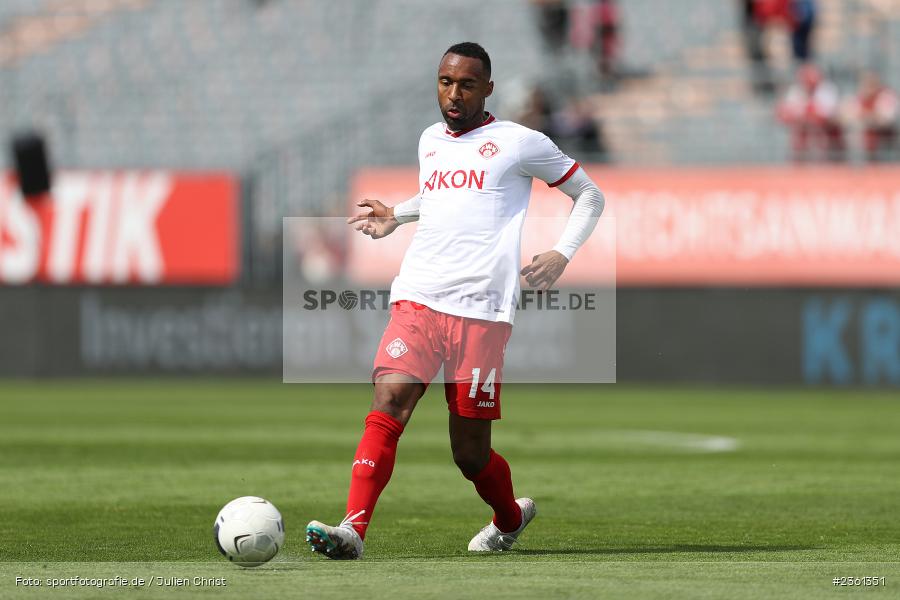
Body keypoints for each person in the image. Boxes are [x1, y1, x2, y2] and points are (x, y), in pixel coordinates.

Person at [305, 42, 604, 560]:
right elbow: (443, 196)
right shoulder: (430, 141)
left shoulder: (518, 142)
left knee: (469, 454)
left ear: (487, 89)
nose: (453, 94)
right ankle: (352, 530)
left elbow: (589, 195)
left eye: (466, 84)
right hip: (418, 297)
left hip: (482, 313)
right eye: (445, 82)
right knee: (389, 403)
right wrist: (396, 214)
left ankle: (510, 517)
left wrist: (562, 253)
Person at [777, 64, 844, 162]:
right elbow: (785, 113)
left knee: (830, 136)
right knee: (800, 136)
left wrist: (808, 112)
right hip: (803, 127)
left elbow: (825, 115)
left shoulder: (828, 89)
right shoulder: (796, 90)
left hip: (827, 128)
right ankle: (799, 166)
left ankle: (833, 164)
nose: (808, 84)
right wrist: (805, 114)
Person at [847, 71, 898, 162]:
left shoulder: (886, 96)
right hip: (866, 139)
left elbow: (885, 119)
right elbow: (848, 115)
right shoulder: (860, 98)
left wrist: (867, 116)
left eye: (870, 84)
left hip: (885, 137)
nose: (866, 88)